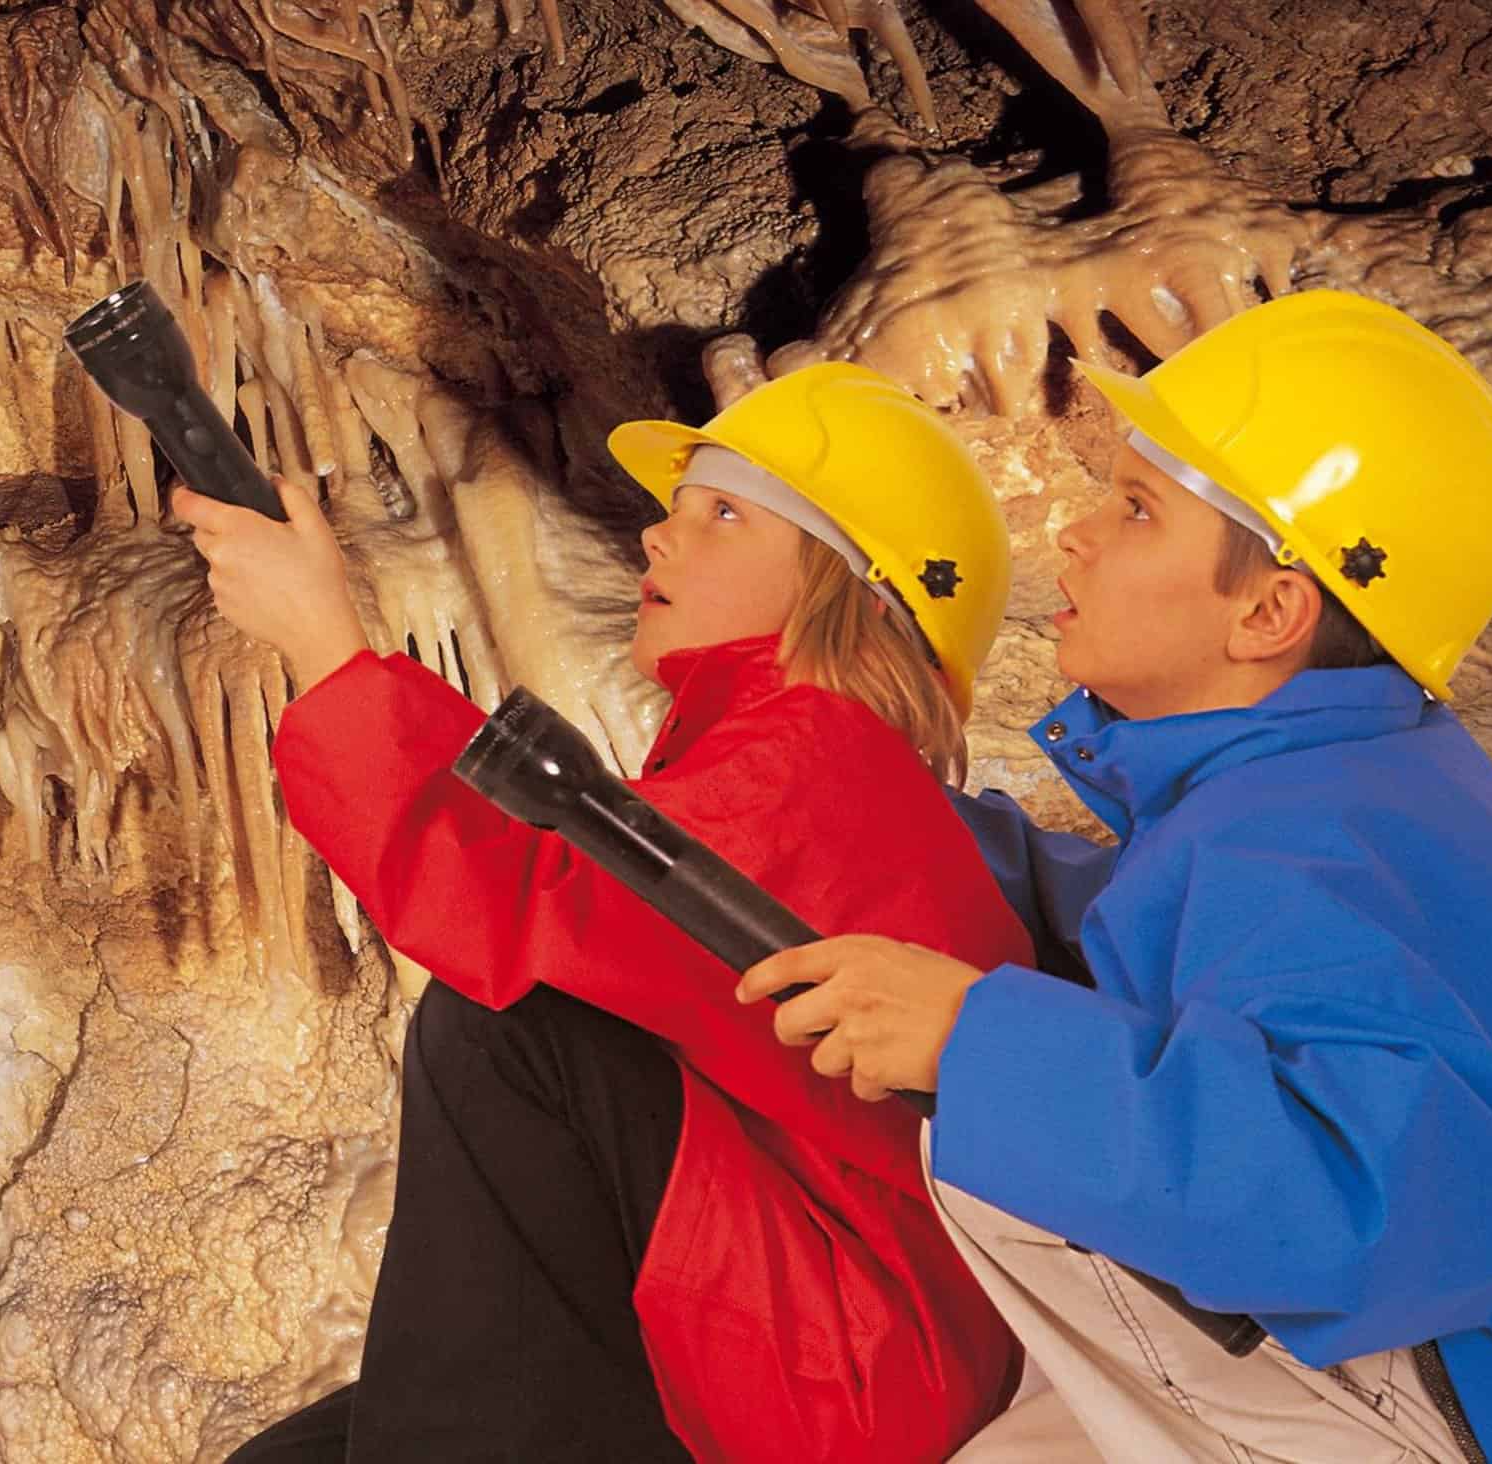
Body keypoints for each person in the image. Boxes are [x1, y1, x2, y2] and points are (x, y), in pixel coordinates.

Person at [741, 291, 1492, 1462]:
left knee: (998, 1131)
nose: (1077, 534)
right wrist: (916, 826)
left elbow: (1371, 1206)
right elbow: (1188, 941)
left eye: (1135, 510)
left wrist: (971, 1045)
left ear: (1270, 610)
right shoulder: (1338, 787)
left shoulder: (1298, 832)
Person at [177, 362, 1032, 1462]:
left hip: (850, 1359)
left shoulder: (814, 754)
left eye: (722, 513)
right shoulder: (789, 761)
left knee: (511, 1030)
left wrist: (325, 643)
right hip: (798, 1299)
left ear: (851, 591)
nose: (658, 541)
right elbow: (566, 884)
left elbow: (511, 907)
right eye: (673, 510)